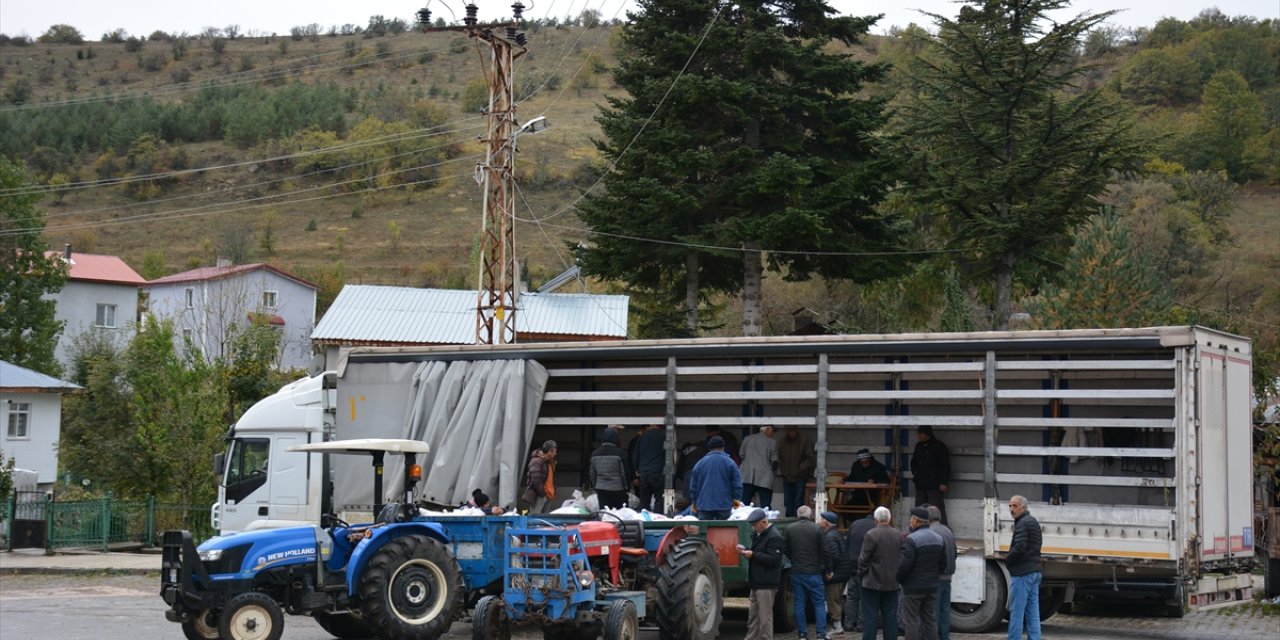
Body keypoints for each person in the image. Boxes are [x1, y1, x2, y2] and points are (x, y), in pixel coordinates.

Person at [896, 506, 946, 640]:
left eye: (911, 519)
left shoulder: (911, 540)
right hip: (932, 586)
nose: (910, 521)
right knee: (930, 619)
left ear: (915, 521)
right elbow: (943, 564)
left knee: (911, 620)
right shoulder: (939, 538)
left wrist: (900, 580)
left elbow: (904, 565)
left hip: (913, 588)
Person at [785, 505, 829, 640]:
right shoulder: (818, 529)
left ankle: (802, 634)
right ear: (810, 515)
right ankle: (821, 633)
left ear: (798, 515)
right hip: (814, 571)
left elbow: (786, 549)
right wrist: (826, 568)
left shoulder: (790, 528)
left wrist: (794, 559)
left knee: (799, 603)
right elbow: (825, 550)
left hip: (796, 571)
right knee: (819, 603)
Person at [740, 508, 784, 640]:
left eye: (755, 525)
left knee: (765, 618)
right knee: (753, 617)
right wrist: (747, 551)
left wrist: (753, 555)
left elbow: (773, 560)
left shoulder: (775, 536)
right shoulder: (760, 534)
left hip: (766, 583)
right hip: (757, 582)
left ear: (764, 522)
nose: (753, 528)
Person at [858, 506, 901, 640]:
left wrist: (861, 574)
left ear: (876, 519)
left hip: (872, 582)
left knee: (870, 616)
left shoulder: (871, 534)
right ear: (889, 519)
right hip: (892, 583)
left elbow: (863, 559)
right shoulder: (898, 535)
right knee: (890, 616)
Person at [1006, 495, 1043, 640]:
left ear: (1023, 507)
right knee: (1033, 612)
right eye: (1010, 506)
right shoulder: (1033, 522)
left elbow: (1019, 548)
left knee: (1017, 612)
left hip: (1023, 573)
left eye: (1014, 506)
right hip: (1035, 571)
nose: (1011, 509)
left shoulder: (1022, 523)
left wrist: (1008, 561)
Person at [688, 436, 742, 520]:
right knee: (724, 531)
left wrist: (695, 503)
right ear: (723, 447)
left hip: (704, 505)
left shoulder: (700, 463)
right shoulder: (730, 463)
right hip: (724, 505)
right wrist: (736, 506)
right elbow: (737, 486)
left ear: (709, 448)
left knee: (704, 531)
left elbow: (693, 487)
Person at [820, 511, 855, 636]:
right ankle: (837, 624)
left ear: (826, 522)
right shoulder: (836, 534)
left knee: (833, 599)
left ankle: (837, 627)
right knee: (837, 598)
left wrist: (828, 571)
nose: (820, 521)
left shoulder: (829, 536)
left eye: (821, 519)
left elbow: (833, 556)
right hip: (843, 572)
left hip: (836, 574)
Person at [843, 510, 877, 633]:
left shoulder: (855, 523)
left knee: (851, 596)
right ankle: (861, 624)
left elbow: (846, 544)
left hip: (852, 566)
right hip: (867, 568)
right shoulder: (874, 527)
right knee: (864, 598)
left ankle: (848, 623)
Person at [909, 425, 950, 525]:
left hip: (934, 483)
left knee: (937, 507)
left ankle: (942, 527)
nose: (918, 436)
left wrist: (943, 482)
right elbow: (913, 461)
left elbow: (945, 465)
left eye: (919, 434)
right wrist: (915, 474)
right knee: (919, 508)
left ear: (925, 434)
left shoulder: (939, 446)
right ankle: (917, 527)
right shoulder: (919, 446)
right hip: (920, 482)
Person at [928, 505, 957, 640]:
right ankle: (945, 637)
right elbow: (955, 552)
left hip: (937, 576)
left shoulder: (931, 532)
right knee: (945, 611)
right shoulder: (948, 530)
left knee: (934, 612)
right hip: (948, 575)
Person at [779, 425, 816, 517]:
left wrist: (800, 469)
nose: (792, 433)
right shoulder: (783, 441)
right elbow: (779, 457)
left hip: (800, 477)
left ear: (797, 430)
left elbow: (809, 458)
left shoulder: (804, 440)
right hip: (787, 476)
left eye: (793, 430)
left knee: (798, 502)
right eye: (789, 430)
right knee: (788, 502)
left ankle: (798, 520)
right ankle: (789, 521)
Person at [589, 428, 632, 509]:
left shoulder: (595, 453)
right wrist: (626, 487)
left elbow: (592, 473)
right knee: (620, 513)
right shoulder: (619, 453)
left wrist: (596, 486)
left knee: (605, 513)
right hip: (618, 488)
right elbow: (624, 473)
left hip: (601, 488)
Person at [739, 425, 779, 509]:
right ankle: (765, 521)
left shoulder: (747, 439)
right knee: (765, 506)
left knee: (743, 505)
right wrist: (774, 473)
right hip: (765, 478)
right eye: (773, 431)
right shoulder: (772, 442)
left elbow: (741, 455)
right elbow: (774, 461)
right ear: (768, 429)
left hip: (748, 476)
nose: (773, 434)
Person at [631, 423, 666, 512]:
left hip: (644, 473)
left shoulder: (642, 437)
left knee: (644, 501)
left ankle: (645, 521)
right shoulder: (665, 436)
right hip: (659, 472)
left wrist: (637, 470)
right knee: (659, 499)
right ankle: (658, 523)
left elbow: (635, 456)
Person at [520, 440, 558, 514]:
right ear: (550, 451)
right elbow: (535, 480)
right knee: (536, 519)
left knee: (545, 521)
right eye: (554, 451)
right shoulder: (536, 461)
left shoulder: (549, 462)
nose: (556, 454)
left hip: (548, 496)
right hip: (539, 496)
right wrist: (542, 494)